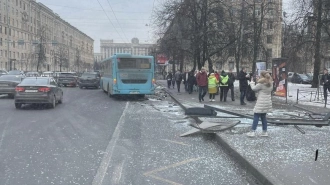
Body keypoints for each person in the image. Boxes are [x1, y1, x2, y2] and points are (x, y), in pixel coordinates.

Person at [246, 71, 273, 137]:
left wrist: (251, 82)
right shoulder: (270, 83)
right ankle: (265, 131)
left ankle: (252, 132)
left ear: (262, 76)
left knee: (256, 116)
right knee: (263, 117)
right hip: (267, 102)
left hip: (261, 102)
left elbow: (254, 88)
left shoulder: (261, 84)